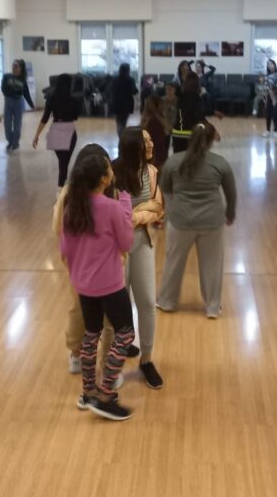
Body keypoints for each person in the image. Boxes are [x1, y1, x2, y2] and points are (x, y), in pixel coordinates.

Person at [60, 152, 136, 421]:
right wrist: (125, 202)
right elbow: (127, 243)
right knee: (125, 334)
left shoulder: (72, 207)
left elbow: (65, 249)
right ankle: (105, 394)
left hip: (84, 284)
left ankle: (88, 393)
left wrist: (79, 274)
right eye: (109, 169)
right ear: (104, 179)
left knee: (91, 334)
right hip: (110, 284)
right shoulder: (112, 207)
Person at [156, 121, 237, 318]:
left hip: (180, 222)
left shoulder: (174, 161)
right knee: (212, 266)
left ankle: (167, 301)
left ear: (190, 138)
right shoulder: (220, 163)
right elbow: (231, 193)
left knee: (173, 262)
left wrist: (169, 211)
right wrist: (230, 214)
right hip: (212, 222)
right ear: (210, 142)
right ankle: (212, 307)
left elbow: (165, 188)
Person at [55, 144, 118, 375]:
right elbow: (59, 228)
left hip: (90, 265)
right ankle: (78, 353)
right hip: (89, 265)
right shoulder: (70, 195)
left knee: (91, 312)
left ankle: (95, 358)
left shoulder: (107, 193)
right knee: (85, 311)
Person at [112, 127, 165, 389]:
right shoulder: (112, 173)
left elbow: (158, 208)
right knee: (119, 305)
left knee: (146, 302)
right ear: (133, 146)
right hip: (115, 249)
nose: (151, 144)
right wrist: (141, 212)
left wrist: (134, 215)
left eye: (151, 139)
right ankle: (115, 359)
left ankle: (147, 359)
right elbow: (111, 214)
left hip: (143, 242)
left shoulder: (152, 171)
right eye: (146, 141)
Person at [33, 73, 83, 188]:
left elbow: (45, 118)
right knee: (64, 163)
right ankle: (62, 186)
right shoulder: (74, 99)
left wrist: (37, 135)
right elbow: (76, 117)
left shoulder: (51, 98)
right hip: (69, 130)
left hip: (55, 130)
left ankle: (62, 186)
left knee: (62, 162)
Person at [1, 59, 34, 152]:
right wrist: (14, 94)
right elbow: (4, 89)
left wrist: (31, 104)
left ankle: (15, 143)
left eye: (16, 66)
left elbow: (26, 93)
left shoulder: (22, 79)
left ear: (20, 68)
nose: (14, 68)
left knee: (17, 125)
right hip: (8, 102)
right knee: (7, 124)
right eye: (13, 66)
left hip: (18, 103)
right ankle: (10, 141)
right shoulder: (6, 77)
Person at [171, 72, 207, 155]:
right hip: (190, 133)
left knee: (178, 158)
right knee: (191, 158)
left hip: (177, 132)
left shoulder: (180, 96)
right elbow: (199, 117)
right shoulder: (196, 98)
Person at [140, 94, 172, 169]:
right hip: (158, 148)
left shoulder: (148, 117)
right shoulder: (156, 118)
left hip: (153, 148)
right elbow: (168, 130)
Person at [110, 63, 138, 138]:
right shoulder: (130, 80)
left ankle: (120, 138)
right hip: (126, 104)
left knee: (118, 123)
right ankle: (122, 139)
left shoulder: (114, 79)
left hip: (115, 103)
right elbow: (134, 91)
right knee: (123, 123)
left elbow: (111, 90)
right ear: (128, 70)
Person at [261, 59, 277, 137]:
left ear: (275, 64)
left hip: (276, 96)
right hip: (268, 96)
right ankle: (268, 130)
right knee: (268, 113)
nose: (270, 65)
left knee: (275, 114)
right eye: (268, 64)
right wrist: (265, 96)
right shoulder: (267, 75)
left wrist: (274, 88)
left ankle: (276, 130)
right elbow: (265, 87)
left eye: (272, 64)